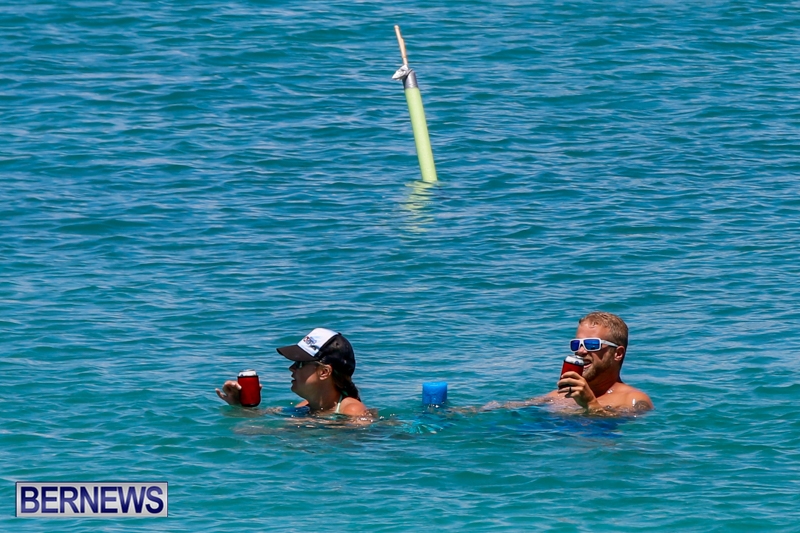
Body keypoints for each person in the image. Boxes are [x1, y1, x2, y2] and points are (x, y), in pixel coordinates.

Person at [216, 328, 370, 418]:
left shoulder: (352, 411)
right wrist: (240, 406)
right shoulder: (303, 408)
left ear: (324, 372)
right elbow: (252, 427)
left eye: (300, 364)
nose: (291, 368)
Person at [543, 311, 653, 414]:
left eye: (592, 344)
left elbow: (620, 424)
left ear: (618, 353)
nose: (580, 351)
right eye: (576, 344)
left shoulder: (633, 400)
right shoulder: (557, 396)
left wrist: (590, 403)